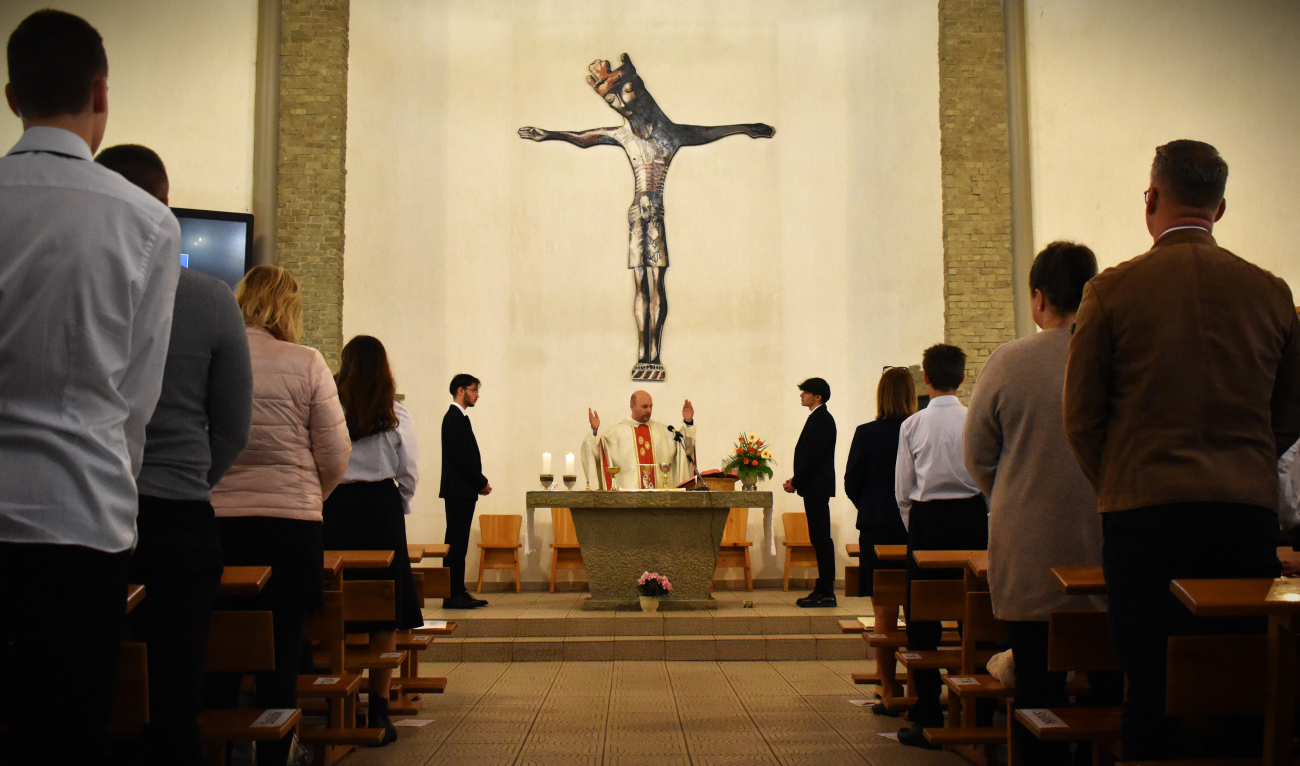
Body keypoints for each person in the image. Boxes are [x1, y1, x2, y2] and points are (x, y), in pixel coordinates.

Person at [1064, 140, 1300, 759]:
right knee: (1239, 679)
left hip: (1144, 514)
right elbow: (1289, 413)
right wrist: (1247, 463)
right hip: (1244, 515)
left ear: (1151, 199)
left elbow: (1081, 417)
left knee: (1150, 681)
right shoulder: (1271, 293)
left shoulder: (1111, 291)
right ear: (1219, 208)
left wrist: (1118, 481)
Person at [0, 11, 181, 765]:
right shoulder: (146, 222)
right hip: (82, 518)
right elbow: (136, 401)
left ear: (13, 96)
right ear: (101, 93)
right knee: (65, 735)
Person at [95, 143, 254, 766]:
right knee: (175, 694)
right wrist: (191, 478)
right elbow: (233, 426)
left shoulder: (75, 281)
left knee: (80, 694)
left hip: (86, 507)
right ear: (167, 206)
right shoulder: (210, 298)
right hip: (177, 519)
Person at [519, 54, 774, 380]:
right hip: (637, 216)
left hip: (654, 214)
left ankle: (654, 355)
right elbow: (584, 138)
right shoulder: (625, 134)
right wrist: (550, 134)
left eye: (623, 93)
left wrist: (746, 129)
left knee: (656, 281)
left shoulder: (670, 133)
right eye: (612, 100)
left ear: (638, 89)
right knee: (641, 282)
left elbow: (709, 132)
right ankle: (644, 355)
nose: (620, 104)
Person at [965, 242, 1114, 766]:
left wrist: (1017, 488)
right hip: (1106, 545)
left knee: (1036, 685)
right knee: (1110, 683)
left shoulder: (1010, 360)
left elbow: (976, 455)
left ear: (1038, 297)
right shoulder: (1116, 357)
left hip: (1031, 550)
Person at [208, 265, 351, 766]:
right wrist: (310, 497)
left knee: (220, 650)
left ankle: (220, 750)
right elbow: (335, 453)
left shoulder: (216, 357)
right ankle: (275, 755)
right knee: (282, 651)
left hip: (222, 523)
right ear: (289, 308)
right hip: (290, 527)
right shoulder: (306, 362)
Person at [322, 335, 422, 745]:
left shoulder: (330, 408)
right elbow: (409, 470)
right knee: (384, 609)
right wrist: (397, 502)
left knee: (338, 605)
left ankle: (337, 698)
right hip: (380, 510)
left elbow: (319, 457)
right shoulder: (394, 413)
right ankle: (379, 707)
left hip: (335, 507)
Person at [894, 343, 987, 748]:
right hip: (971, 519)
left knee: (922, 621)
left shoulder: (913, 425)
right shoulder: (975, 420)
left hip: (927, 522)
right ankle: (981, 711)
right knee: (975, 617)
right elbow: (988, 478)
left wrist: (916, 529)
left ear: (927, 378)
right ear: (962, 377)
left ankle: (927, 711)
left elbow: (903, 490)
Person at [843, 367, 915, 703]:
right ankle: (917, 685)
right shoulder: (918, 429)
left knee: (884, 610)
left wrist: (871, 507)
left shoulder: (866, 433)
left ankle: (888, 687)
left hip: (877, 526)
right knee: (917, 609)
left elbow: (851, 481)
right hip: (913, 527)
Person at [784, 377, 837, 608]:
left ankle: (826, 591)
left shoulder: (822, 419)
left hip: (816, 487)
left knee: (821, 539)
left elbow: (812, 458)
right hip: (814, 487)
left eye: (806, 392)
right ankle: (822, 589)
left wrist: (796, 482)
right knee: (819, 538)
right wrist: (797, 480)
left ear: (818, 396)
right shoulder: (818, 417)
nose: (801, 395)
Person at [440, 374, 492, 609]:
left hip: (462, 490)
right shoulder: (454, 418)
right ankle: (452, 594)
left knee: (458, 543)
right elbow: (462, 459)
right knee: (456, 543)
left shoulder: (459, 418)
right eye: (474, 390)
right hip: (459, 491)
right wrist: (481, 482)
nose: (477, 395)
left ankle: (457, 590)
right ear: (460, 391)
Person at [581, 391, 696, 489]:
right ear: (632, 406)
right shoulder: (615, 433)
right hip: (627, 502)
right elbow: (596, 452)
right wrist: (595, 431)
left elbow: (686, 448)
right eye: (644, 407)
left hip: (660, 500)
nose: (649, 410)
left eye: (651, 406)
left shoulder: (664, 432)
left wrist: (688, 422)